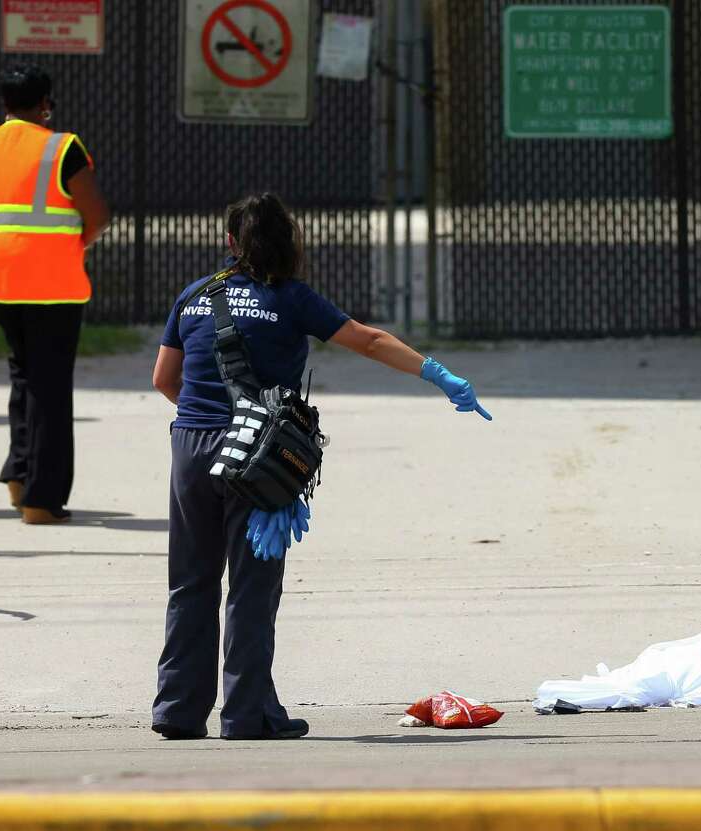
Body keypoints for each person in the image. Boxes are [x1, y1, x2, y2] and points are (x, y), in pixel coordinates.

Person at [150, 193, 490, 740]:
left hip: (190, 447)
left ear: (230, 243)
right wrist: (439, 375)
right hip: (261, 456)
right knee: (251, 588)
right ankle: (247, 715)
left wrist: (209, 425)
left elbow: (164, 380)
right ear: (288, 243)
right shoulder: (290, 299)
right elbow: (371, 340)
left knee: (190, 582)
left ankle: (177, 712)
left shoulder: (195, 297)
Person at [0, 64, 111, 524]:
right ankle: (41, 499)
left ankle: (18, 474)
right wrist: (74, 243)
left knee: (24, 373)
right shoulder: (62, 146)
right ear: (45, 103)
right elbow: (96, 214)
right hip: (52, 283)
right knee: (50, 386)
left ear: (4, 105)